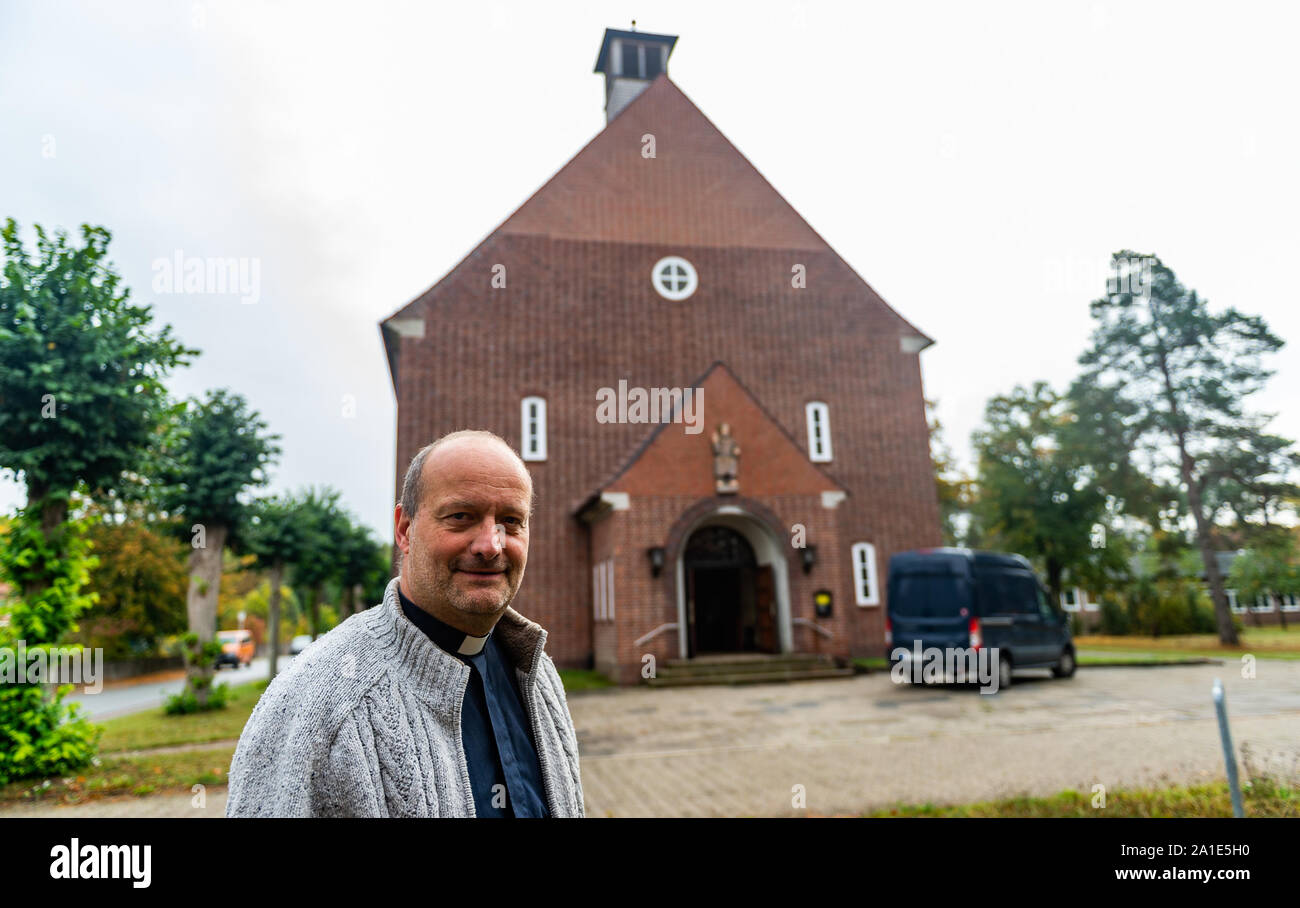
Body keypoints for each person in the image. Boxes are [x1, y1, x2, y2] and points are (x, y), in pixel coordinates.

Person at [225, 430, 585, 817]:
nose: (490, 545)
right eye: (461, 517)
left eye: (510, 521)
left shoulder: (537, 675)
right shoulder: (314, 705)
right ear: (404, 529)